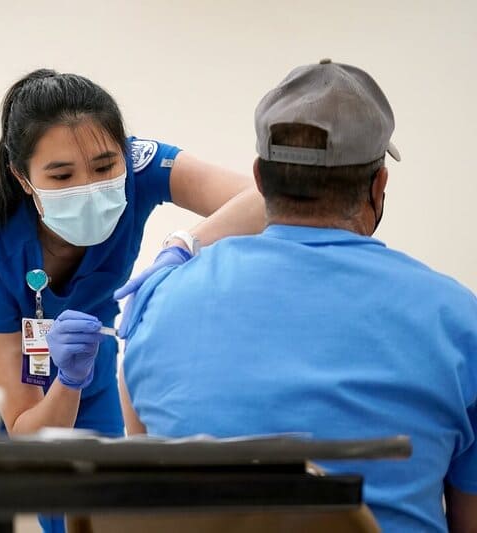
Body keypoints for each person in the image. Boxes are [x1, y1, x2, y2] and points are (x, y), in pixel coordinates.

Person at [120, 59, 477, 533]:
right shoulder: (458, 321)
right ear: (378, 185)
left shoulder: (157, 305)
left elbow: (147, 493)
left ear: (259, 178)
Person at [0, 68, 265, 533]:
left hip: (84, 354)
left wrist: (185, 244)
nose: (90, 188)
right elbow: (27, 433)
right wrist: (66, 381)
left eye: (104, 167)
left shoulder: (141, 166)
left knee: (95, 516)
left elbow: (265, 198)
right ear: (23, 177)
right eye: (62, 175)